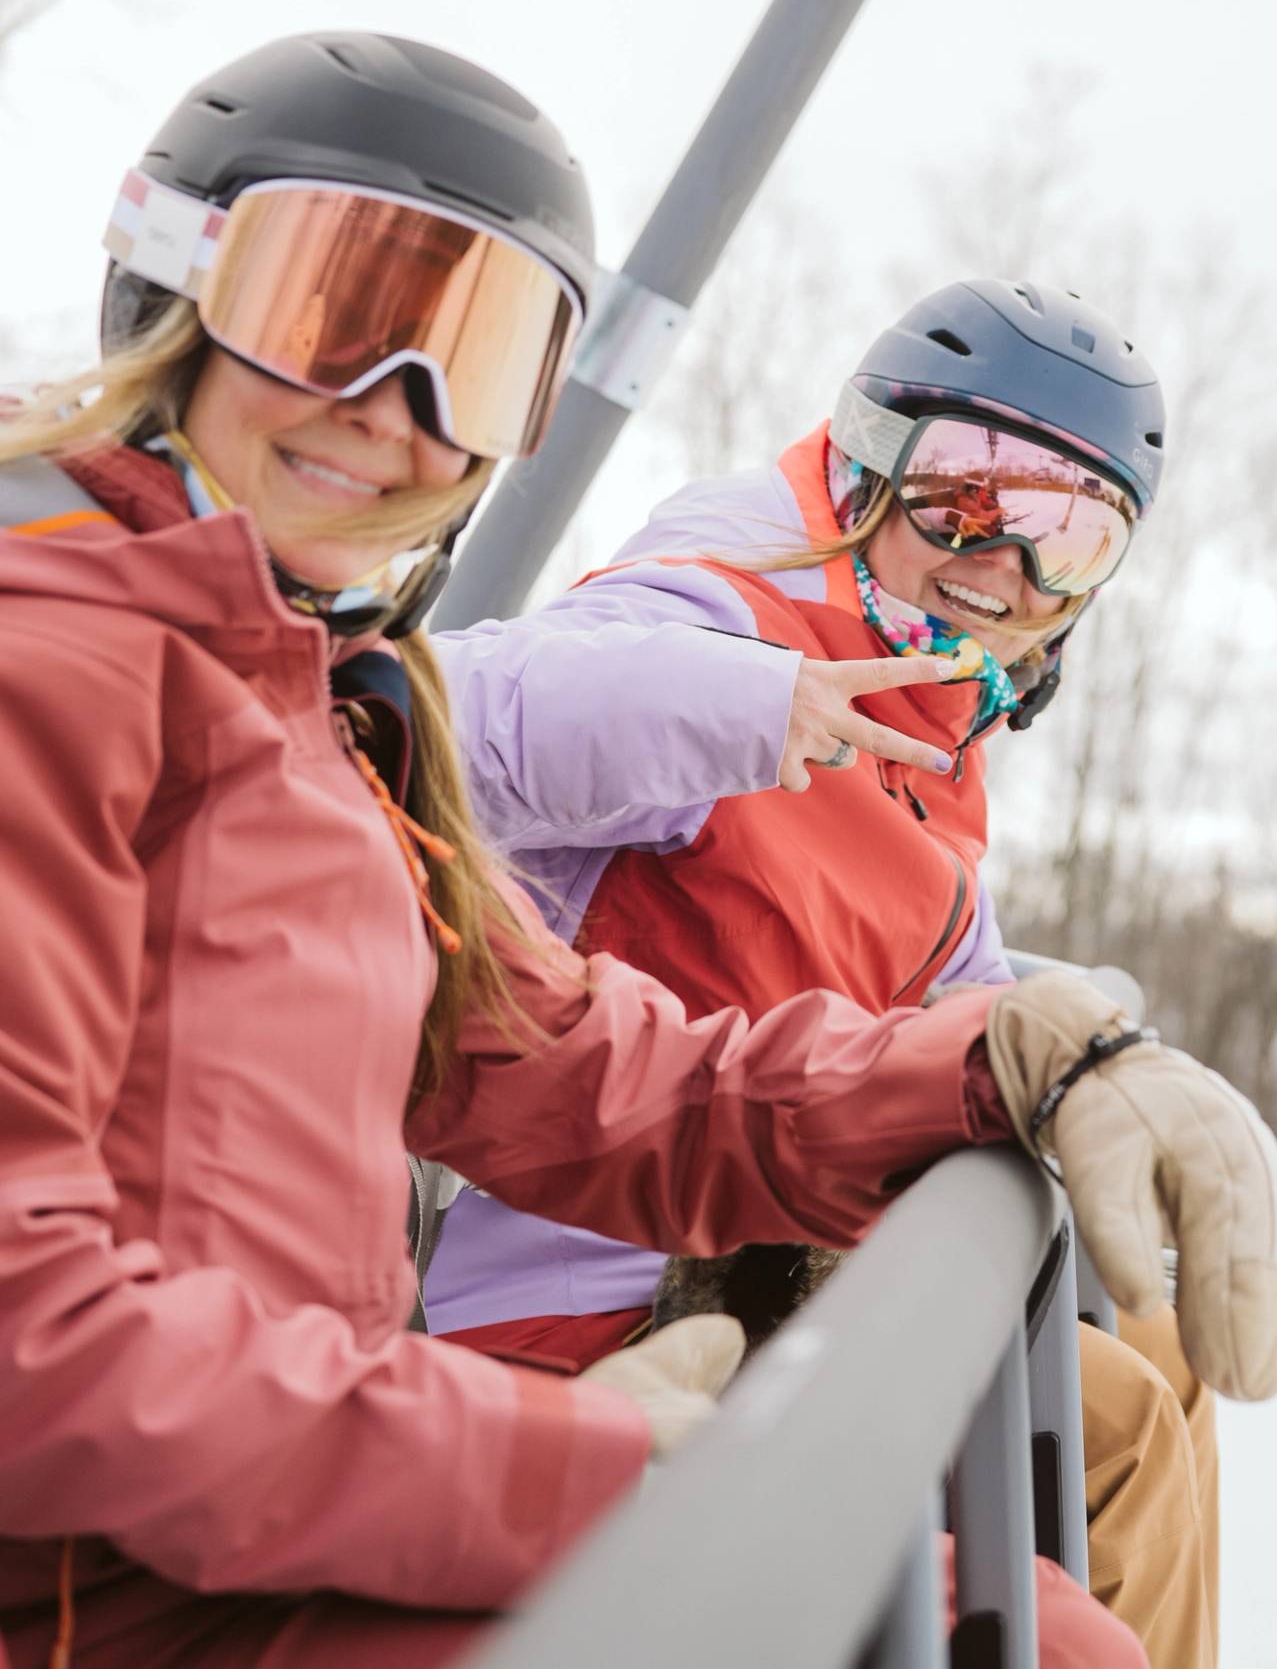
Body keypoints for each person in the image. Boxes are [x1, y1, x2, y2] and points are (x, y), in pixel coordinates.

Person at [0, 38, 1277, 1669]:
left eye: (474, 365)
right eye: (333, 309)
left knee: (1047, 1622)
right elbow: (30, 1349)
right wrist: (576, 1465)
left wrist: (1002, 1061)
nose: (394, 413)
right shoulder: (51, 671)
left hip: (289, 1533)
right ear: (170, 281)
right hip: (125, 1603)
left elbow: (575, 1071)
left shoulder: (323, 721)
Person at [428, 280, 1233, 1666]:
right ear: (868, 465)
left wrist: (1095, 1063)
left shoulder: (931, 722)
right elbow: (459, 714)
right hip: (595, 1292)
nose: (1009, 569)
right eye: (968, 500)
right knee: (1122, 1429)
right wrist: (747, 697)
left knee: (1167, 1362)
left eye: (1071, 537)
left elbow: (947, 972)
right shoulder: (726, 604)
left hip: (765, 1248)